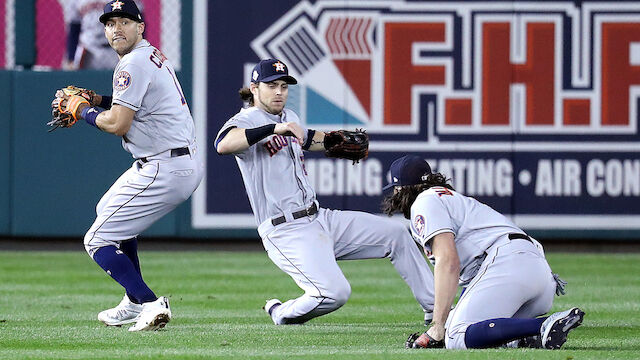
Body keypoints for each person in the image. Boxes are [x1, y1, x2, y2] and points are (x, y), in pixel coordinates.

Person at [215, 59, 436, 325]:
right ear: (254, 88)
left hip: (320, 218)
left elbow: (305, 138)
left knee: (397, 234)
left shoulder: (289, 116)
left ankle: (437, 309)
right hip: (285, 231)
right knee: (334, 293)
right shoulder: (246, 119)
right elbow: (223, 144)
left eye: (284, 86)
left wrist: (330, 141)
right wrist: (274, 128)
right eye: (271, 85)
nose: (279, 92)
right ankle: (281, 312)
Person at [68, 0, 203, 331]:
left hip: (164, 166)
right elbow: (133, 102)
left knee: (97, 240)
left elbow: (118, 125)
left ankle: (150, 302)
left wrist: (81, 111)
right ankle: (132, 301)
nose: (116, 28)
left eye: (125, 21)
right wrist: (97, 100)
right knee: (108, 213)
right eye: (110, 23)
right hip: (171, 161)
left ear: (140, 26)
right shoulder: (147, 55)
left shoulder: (133, 64)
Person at [382, 155, 584, 349]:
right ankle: (523, 338)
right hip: (535, 274)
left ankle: (543, 325)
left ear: (402, 188)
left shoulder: (424, 202)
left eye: (396, 189)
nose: (395, 195)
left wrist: (437, 326)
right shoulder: (447, 198)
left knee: (455, 335)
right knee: (464, 327)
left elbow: (449, 261)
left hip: (506, 265)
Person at [63, 0, 122, 70]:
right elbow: (74, 29)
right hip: (88, 48)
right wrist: (71, 57)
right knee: (84, 79)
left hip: (115, 48)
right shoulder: (75, 1)